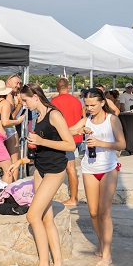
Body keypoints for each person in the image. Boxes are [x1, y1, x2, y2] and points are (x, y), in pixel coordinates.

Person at [19, 83, 75, 266]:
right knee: (45, 218)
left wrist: (41, 142)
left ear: (35, 96)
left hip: (54, 169)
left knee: (32, 216)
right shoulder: (38, 115)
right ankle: (57, 264)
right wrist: (26, 158)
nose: (24, 104)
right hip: (40, 167)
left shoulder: (54, 115)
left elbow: (70, 144)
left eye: (25, 100)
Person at [69, 88, 126, 266]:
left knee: (104, 212)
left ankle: (107, 254)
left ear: (102, 103)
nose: (89, 108)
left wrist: (100, 143)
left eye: (93, 105)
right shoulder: (87, 120)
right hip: (89, 168)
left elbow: (122, 144)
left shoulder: (112, 120)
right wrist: (80, 130)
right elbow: (67, 131)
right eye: (87, 105)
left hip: (109, 168)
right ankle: (101, 241)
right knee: (93, 212)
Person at [50, 78, 83, 207]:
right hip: (77, 137)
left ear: (56, 88)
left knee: (70, 168)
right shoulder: (77, 101)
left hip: (64, 138)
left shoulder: (54, 101)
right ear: (68, 87)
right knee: (71, 168)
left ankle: (73, 198)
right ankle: (72, 196)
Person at [3, 74, 26, 166]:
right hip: (9, 129)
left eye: (19, 83)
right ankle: (14, 180)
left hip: (1, 130)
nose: (19, 86)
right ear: (8, 82)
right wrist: (20, 104)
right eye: (17, 83)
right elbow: (10, 116)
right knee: (14, 160)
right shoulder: (8, 95)